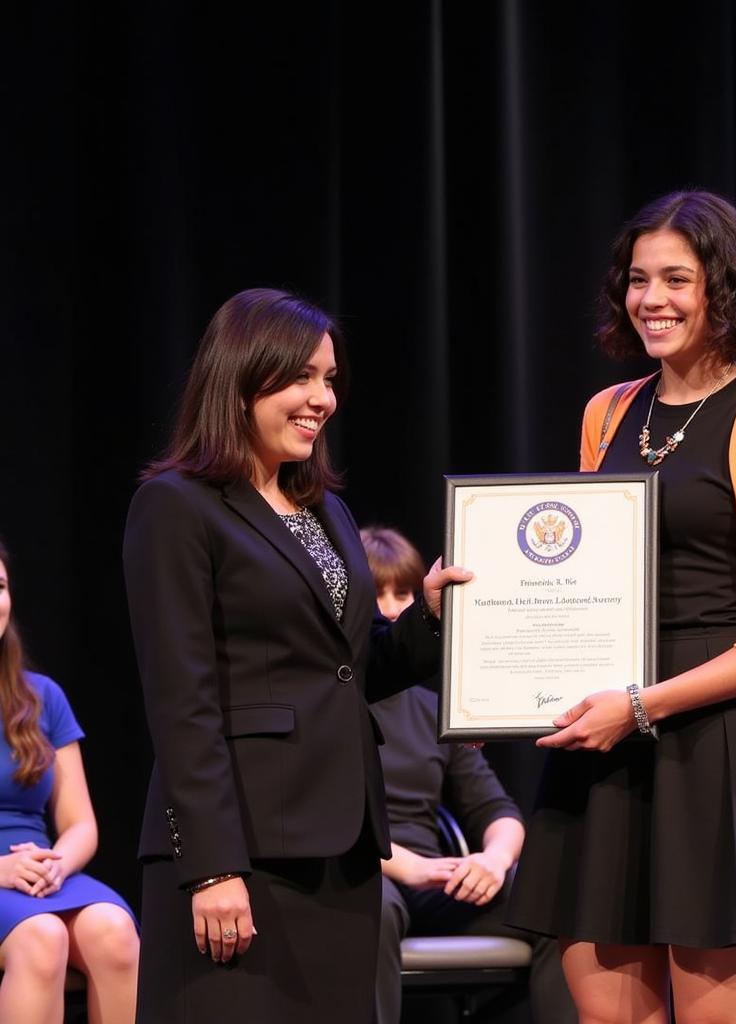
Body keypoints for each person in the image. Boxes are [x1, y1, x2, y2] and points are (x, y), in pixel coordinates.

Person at [506, 190, 736, 1024]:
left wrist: (643, 705)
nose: (650, 298)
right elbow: (582, 575)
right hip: (609, 750)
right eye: (636, 279)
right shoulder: (609, 414)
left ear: (724, 289)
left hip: (725, 748)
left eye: (676, 279)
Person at [121, 289, 471, 1023]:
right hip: (240, 854)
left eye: (330, 379)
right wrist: (213, 866)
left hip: (339, 853)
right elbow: (181, 701)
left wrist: (428, 619)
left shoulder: (322, 509)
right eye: (301, 378)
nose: (322, 399)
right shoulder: (176, 505)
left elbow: (348, 668)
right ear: (242, 381)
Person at [360, 526, 577, 1024]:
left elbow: (497, 811)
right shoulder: (329, 707)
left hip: (436, 884)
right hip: (367, 874)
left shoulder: (436, 710)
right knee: (370, 908)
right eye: (376, 594)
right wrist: (406, 866)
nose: (391, 608)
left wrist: (495, 861)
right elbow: (316, 818)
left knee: (553, 905)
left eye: (403, 592)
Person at [0, 539, 139, 1023]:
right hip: (5, 880)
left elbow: (80, 823)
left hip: (41, 875)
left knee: (115, 932)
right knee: (43, 938)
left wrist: (57, 865)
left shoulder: (42, 698)